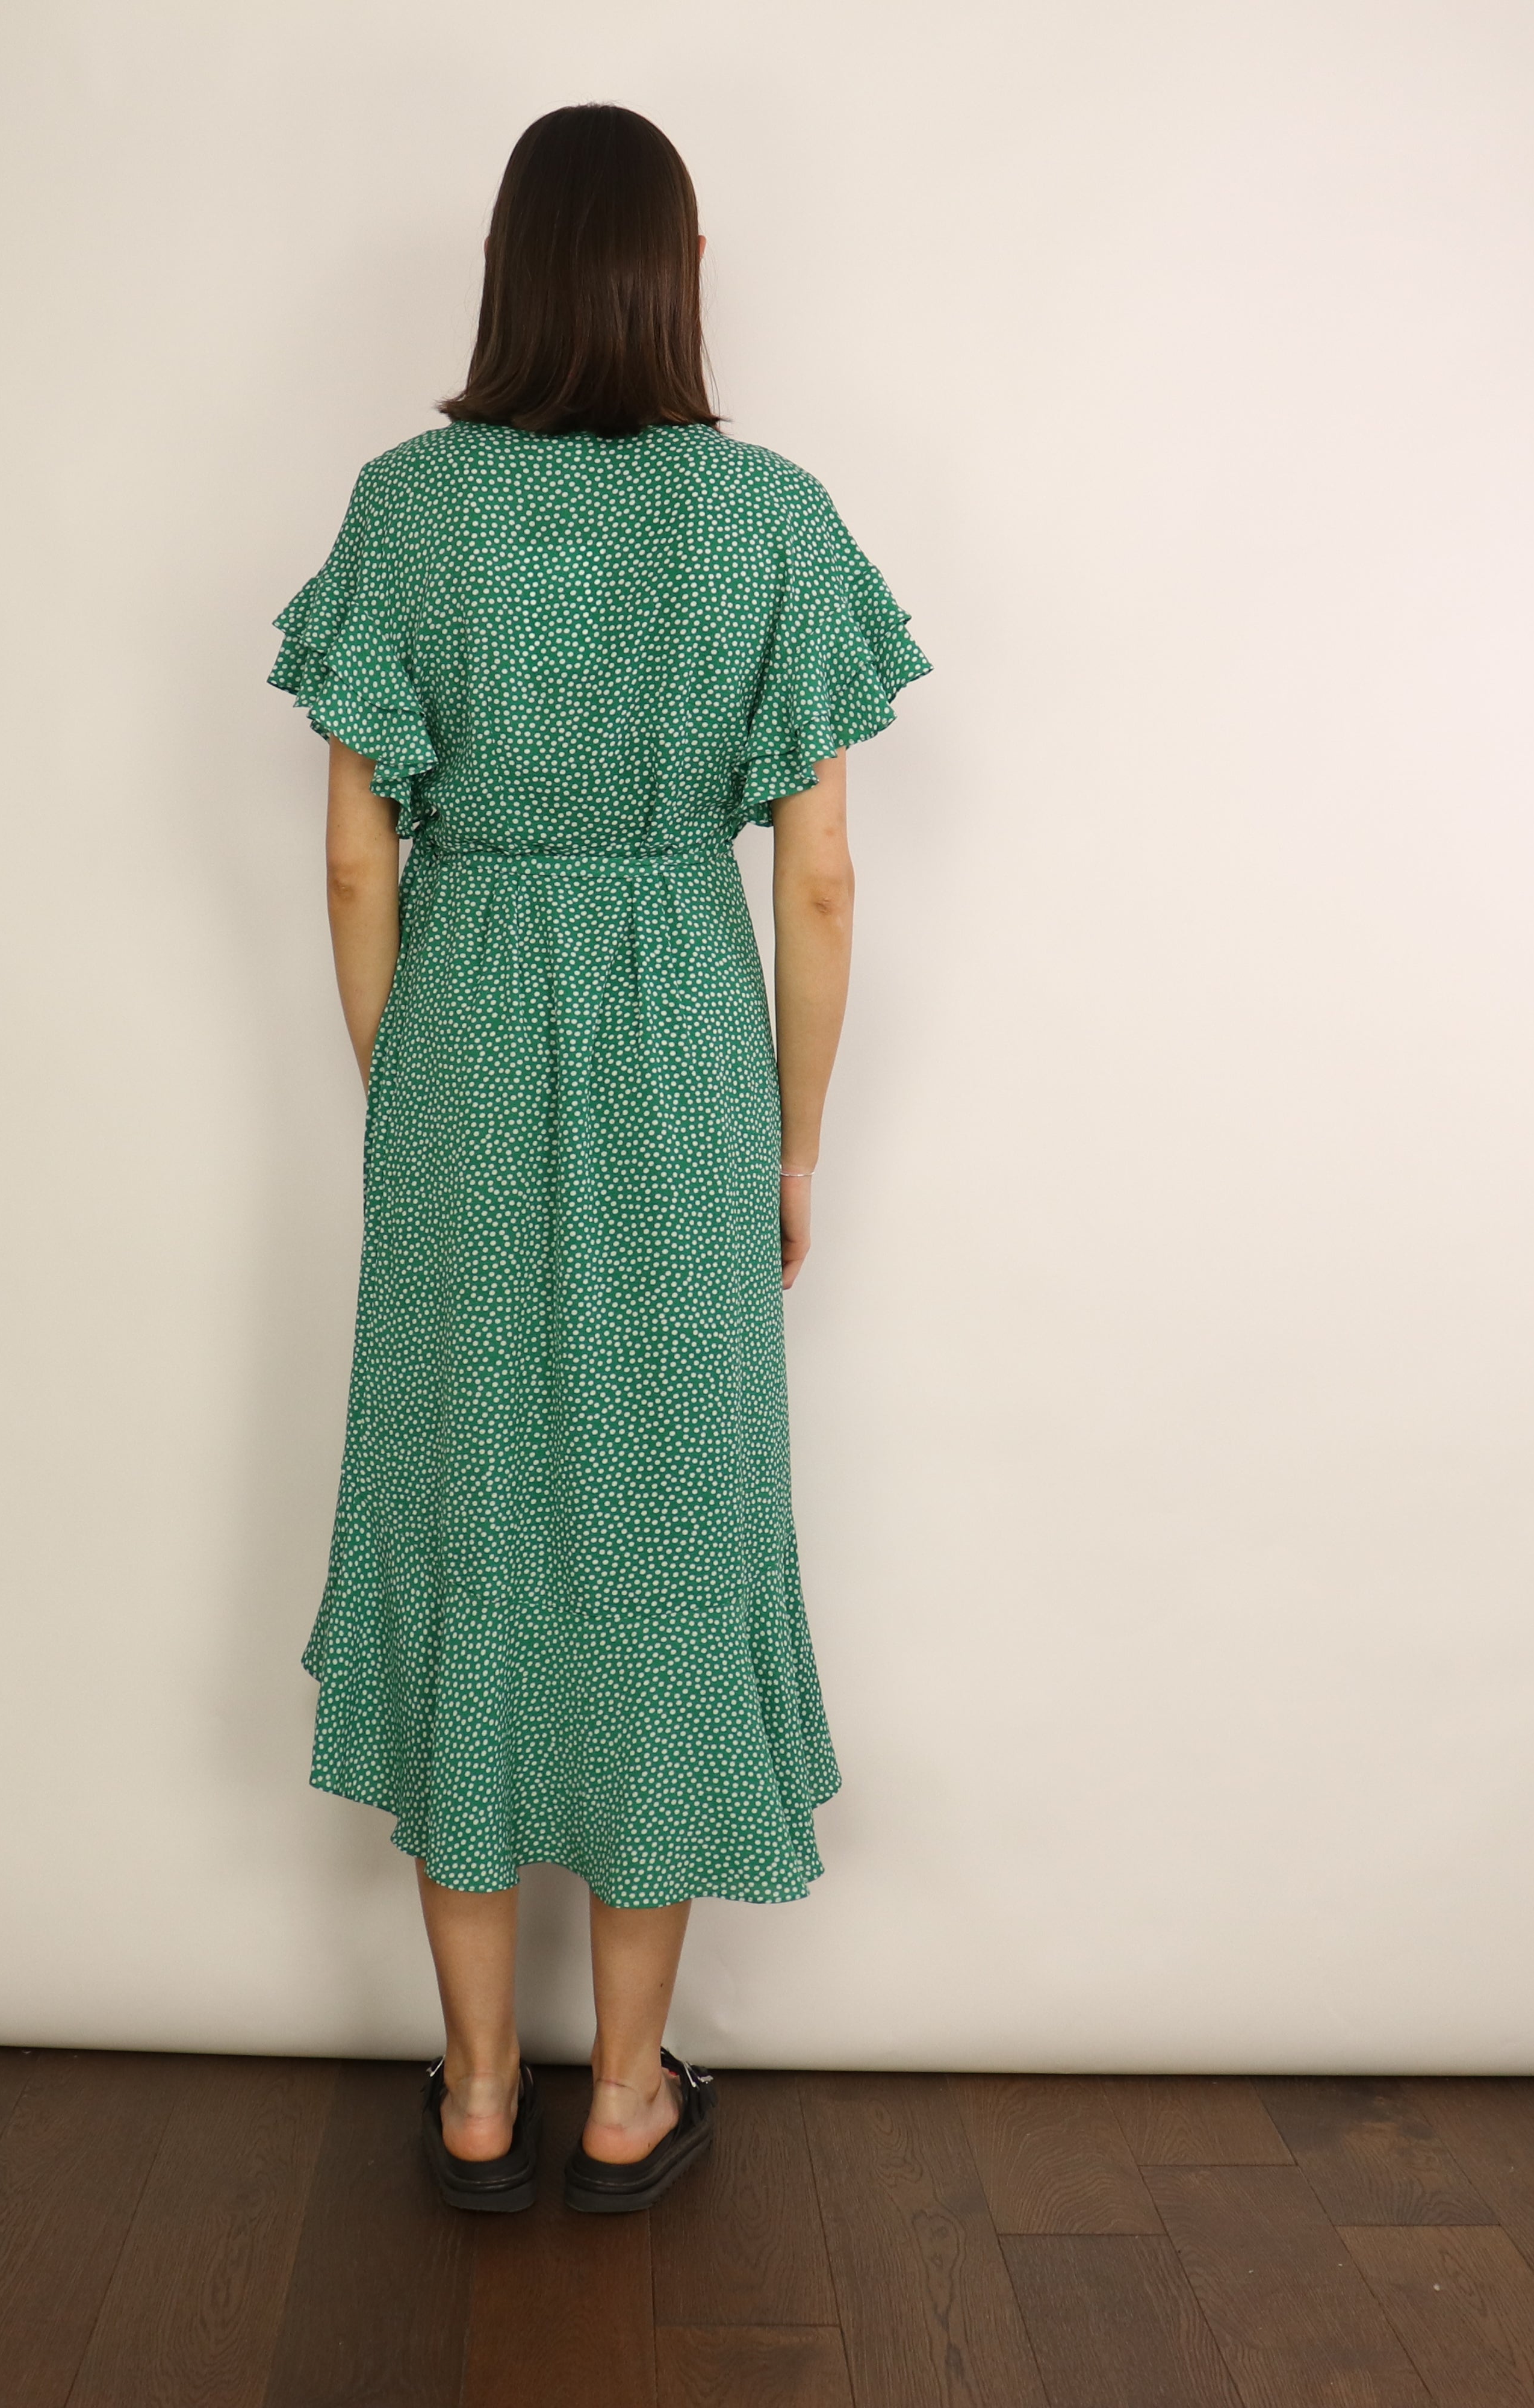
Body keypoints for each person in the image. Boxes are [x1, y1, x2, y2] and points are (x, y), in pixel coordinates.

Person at [268, 102, 930, 2215]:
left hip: (459, 1041)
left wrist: (411, 1091)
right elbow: (817, 882)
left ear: (504, 272)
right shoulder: (767, 519)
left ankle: (479, 2095)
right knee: (666, 1530)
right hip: (685, 1069)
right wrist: (794, 1143)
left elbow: (355, 860)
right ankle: (626, 2093)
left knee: (466, 1522)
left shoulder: (405, 510)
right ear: (680, 272)